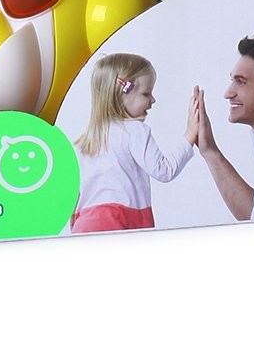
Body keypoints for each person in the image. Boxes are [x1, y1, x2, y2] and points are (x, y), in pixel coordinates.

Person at [71, 53, 197, 233]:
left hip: (83, 225)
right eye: (146, 93)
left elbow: (74, 197)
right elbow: (164, 171)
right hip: (119, 223)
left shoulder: (82, 143)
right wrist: (190, 135)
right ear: (121, 93)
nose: (153, 100)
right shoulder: (134, 131)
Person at [194, 29, 254, 221]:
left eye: (241, 82)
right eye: (232, 80)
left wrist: (211, 152)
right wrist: (209, 150)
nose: (228, 93)